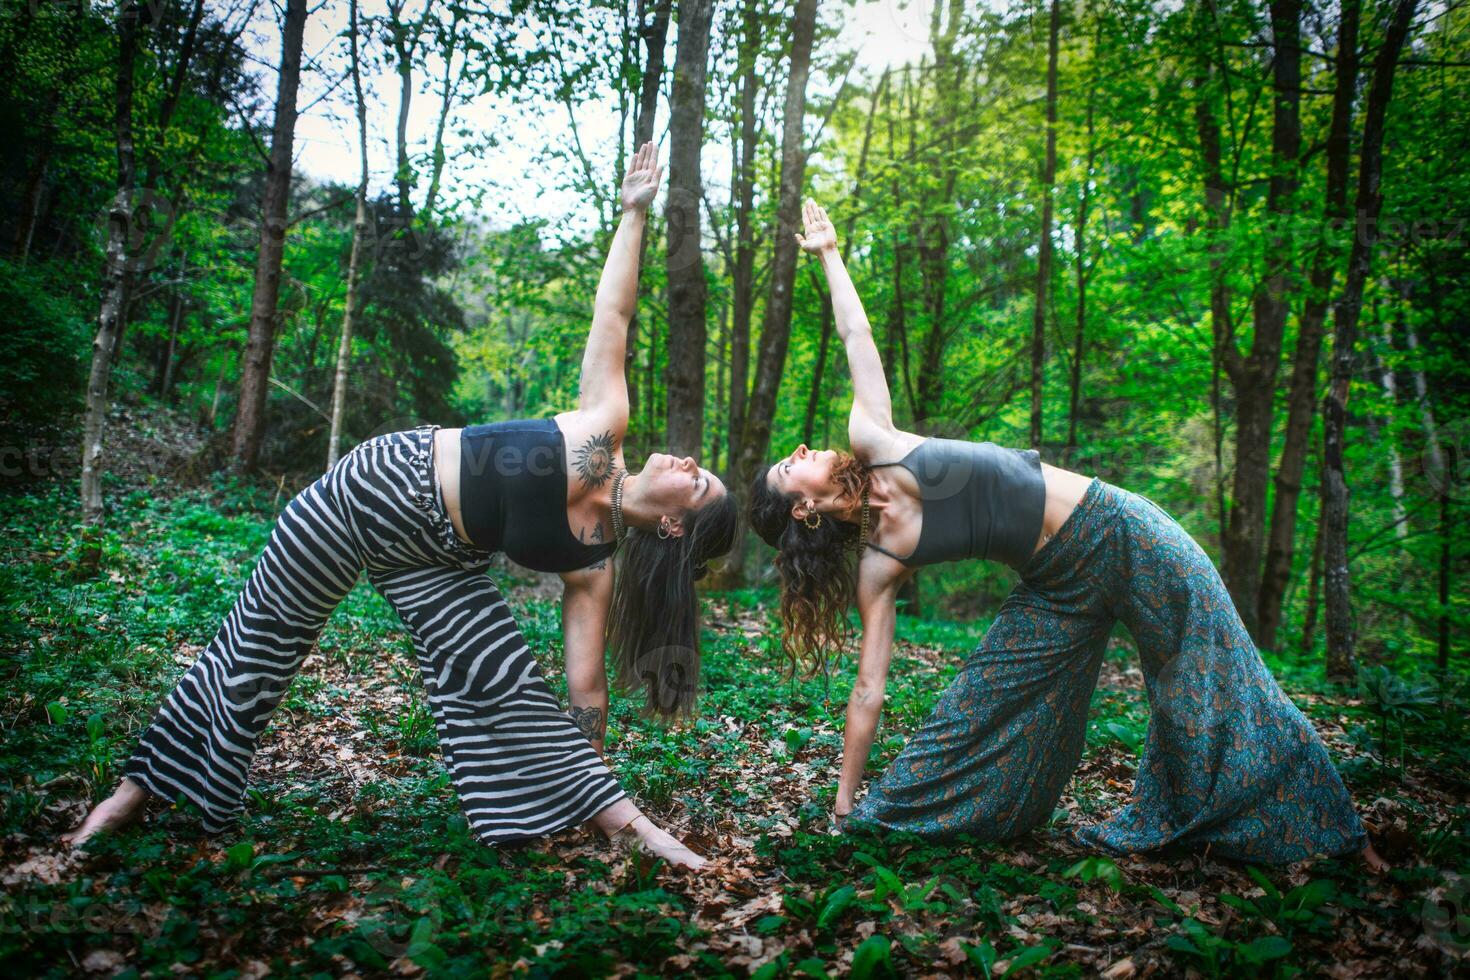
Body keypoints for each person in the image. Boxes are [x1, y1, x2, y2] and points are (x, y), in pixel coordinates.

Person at [66, 143, 737, 869]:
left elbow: (585, 688)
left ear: (673, 525)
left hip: (436, 564)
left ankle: (624, 823)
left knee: (505, 676)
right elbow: (616, 311)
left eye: (699, 485)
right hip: (370, 492)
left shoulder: (593, 561)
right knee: (258, 647)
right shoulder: (601, 431)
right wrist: (634, 211)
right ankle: (134, 793)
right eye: (701, 469)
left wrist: (588, 770)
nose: (691, 462)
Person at [747, 200, 1385, 869]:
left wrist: (828, 252)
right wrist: (845, 804)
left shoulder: (875, 440)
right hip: (1058, 590)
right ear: (803, 511)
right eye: (789, 466)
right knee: (980, 707)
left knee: (1217, 673)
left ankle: (1339, 837)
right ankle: (908, 821)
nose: (799, 448)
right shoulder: (879, 565)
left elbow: (855, 335)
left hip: (1124, 534)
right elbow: (867, 690)